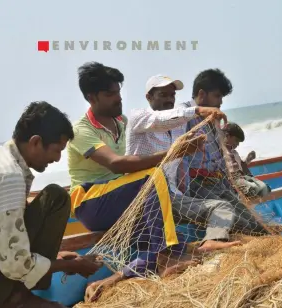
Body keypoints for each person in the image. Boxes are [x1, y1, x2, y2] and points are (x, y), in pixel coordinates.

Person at [66, 62, 203, 302]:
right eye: (110, 94)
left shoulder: (120, 122)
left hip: (120, 198)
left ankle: (112, 279)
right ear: (91, 97)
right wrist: (175, 153)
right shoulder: (81, 130)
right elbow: (118, 164)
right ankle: (168, 252)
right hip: (91, 204)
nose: (118, 98)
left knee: (151, 247)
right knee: (154, 175)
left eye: (118, 91)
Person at [126, 74, 258, 252]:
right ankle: (213, 241)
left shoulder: (176, 130)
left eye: (172, 95)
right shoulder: (138, 117)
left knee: (242, 217)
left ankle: (217, 240)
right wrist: (198, 110)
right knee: (224, 209)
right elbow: (161, 120)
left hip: (172, 194)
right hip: (147, 195)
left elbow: (180, 166)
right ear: (148, 97)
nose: (169, 100)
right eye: (163, 95)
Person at [0, 101, 103, 308]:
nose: (57, 159)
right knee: (57, 197)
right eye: (57, 150)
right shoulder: (10, 176)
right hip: (9, 269)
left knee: (54, 196)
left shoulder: (7, 160)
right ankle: (13, 298)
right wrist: (68, 264)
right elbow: (14, 263)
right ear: (36, 142)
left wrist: (59, 257)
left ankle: (16, 294)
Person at [177, 69, 270, 234]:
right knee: (244, 226)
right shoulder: (183, 114)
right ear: (201, 94)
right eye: (217, 96)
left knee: (256, 225)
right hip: (198, 185)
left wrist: (230, 186)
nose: (220, 102)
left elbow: (219, 156)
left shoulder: (213, 117)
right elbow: (179, 157)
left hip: (219, 183)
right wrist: (185, 195)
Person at [222, 122, 271, 198]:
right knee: (253, 189)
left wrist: (248, 159)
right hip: (232, 179)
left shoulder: (235, 153)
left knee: (265, 188)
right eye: (236, 140)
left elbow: (242, 166)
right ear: (227, 136)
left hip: (242, 177)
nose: (237, 144)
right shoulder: (220, 151)